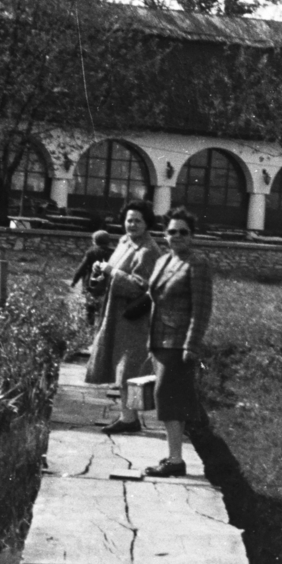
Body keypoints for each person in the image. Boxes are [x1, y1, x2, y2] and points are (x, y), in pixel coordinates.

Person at [141, 208, 213, 478]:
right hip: (159, 339)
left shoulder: (197, 263)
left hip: (179, 342)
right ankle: (174, 456)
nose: (177, 236)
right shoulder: (163, 261)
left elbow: (201, 308)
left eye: (184, 232)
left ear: (192, 235)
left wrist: (192, 345)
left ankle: (175, 460)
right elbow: (154, 298)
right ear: (165, 235)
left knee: (168, 397)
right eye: (172, 231)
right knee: (169, 397)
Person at [85, 201, 160, 433]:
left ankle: (130, 419)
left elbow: (141, 287)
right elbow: (113, 272)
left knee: (129, 367)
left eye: (138, 220)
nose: (132, 224)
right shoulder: (125, 242)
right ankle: (128, 417)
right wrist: (99, 276)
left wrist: (112, 272)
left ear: (147, 223)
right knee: (120, 364)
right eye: (129, 220)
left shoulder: (148, 250)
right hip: (115, 313)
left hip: (134, 316)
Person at [70, 230, 115, 325]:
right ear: (108, 241)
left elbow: (82, 268)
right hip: (106, 284)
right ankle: (101, 326)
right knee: (103, 308)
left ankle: (89, 325)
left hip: (91, 284)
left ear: (94, 241)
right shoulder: (113, 253)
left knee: (90, 307)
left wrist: (74, 280)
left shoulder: (91, 252)